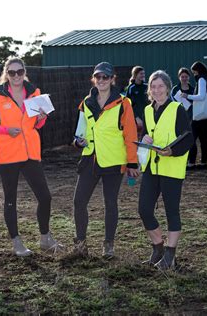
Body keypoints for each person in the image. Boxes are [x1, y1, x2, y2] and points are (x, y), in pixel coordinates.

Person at [0, 57, 62, 256]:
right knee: (11, 200)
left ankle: (45, 238)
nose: (16, 76)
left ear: (24, 72)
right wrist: (7, 130)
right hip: (8, 155)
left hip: (30, 154)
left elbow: (36, 125)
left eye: (19, 72)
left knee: (45, 197)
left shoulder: (34, 93)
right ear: (6, 74)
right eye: (12, 72)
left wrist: (42, 119)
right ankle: (17, 242)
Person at [72, 62, 139, 259]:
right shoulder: (86, 102)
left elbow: (130, 134)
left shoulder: (123, 103)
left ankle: (108, 245)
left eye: (105, 77)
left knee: (110, 203)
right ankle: (81, 244)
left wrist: (132, 162)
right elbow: (79, 132)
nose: (101, 80)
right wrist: (78, 142)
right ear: (94, 79)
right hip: (90, 159)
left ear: (112, 79)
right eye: (98, 77)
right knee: (79, 201)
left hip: (113, 160)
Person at [138, 70, 193, 270]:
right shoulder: (146, 110)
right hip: (152, 167)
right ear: (149, 90)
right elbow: (146, 133)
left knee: (172, 211)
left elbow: (188, 138)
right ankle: (158, 248)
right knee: (144, 209)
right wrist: (144, 139)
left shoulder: (177, 109)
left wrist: (173, 151)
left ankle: (170, 255)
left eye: (161, 86)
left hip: (171, 167)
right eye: (153, 86)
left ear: (168, 88)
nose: (157, 90)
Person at [181, 61, 207, 170]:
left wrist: (187, 96)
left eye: (194, 72)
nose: (194, 74)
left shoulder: (201, 79)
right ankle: (203, 163)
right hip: (206, 115)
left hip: (199, 115)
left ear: (197, 70)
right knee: (203, 139)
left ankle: (191, 163)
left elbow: (201, 96)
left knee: (191, 138)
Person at [125, 66, 149, 136]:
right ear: (135, 75)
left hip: (147, 118)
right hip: (136, 120)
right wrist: (136, 118)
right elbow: (128, 105)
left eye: (143, 74)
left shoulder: (146, 87)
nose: (143, 75)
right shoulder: (131, 88)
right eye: (141, 73)